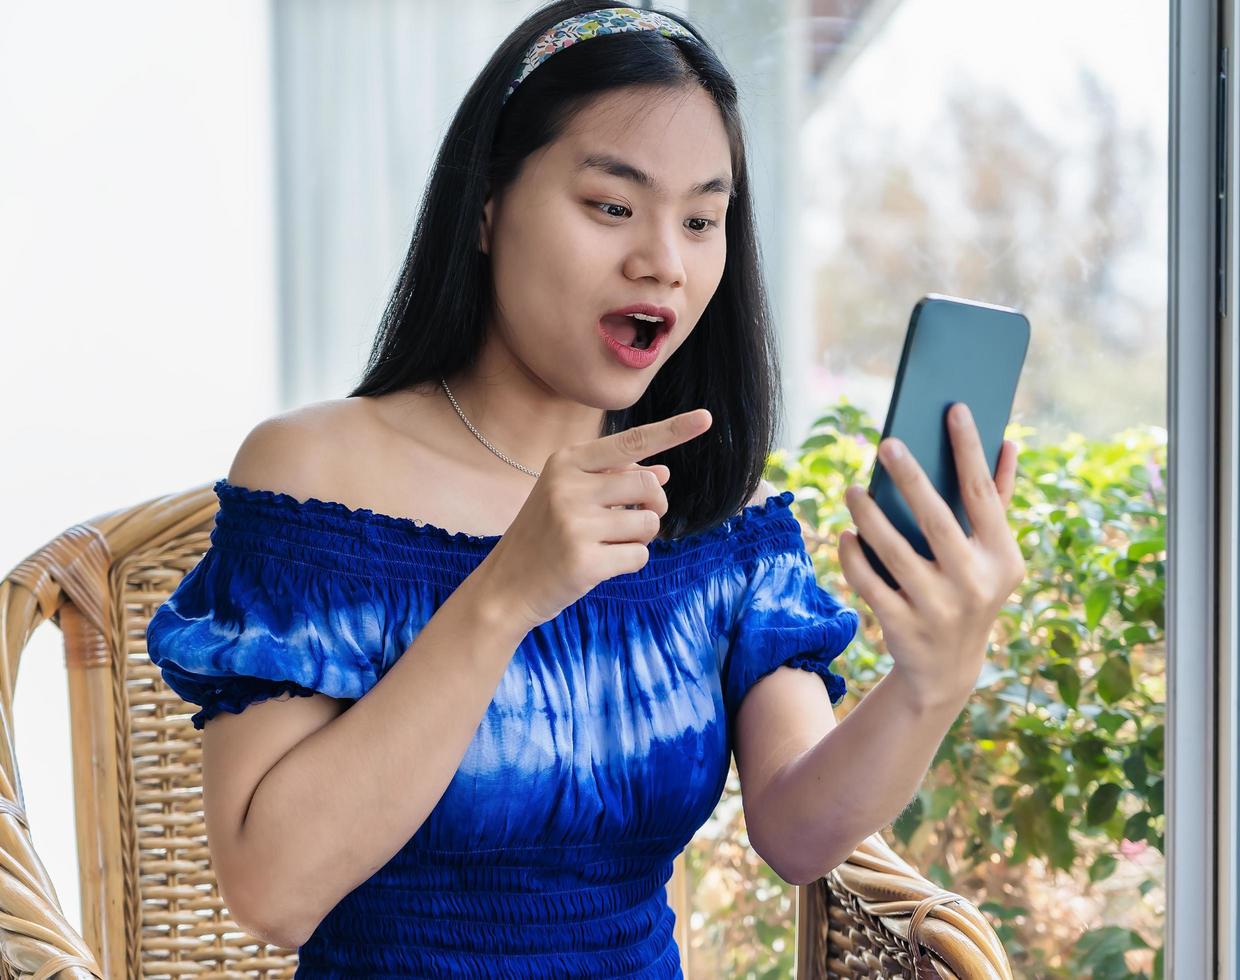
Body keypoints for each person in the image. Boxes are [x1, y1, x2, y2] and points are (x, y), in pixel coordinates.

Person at [146, 3, 1025, 977]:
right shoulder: (314, 476)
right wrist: (506, 592)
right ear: (486, 205)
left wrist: (931, 680)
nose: (665, 260)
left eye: (701, 218)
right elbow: (273, 891)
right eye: (612, 206)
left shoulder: (712, 507)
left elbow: (799, 829)